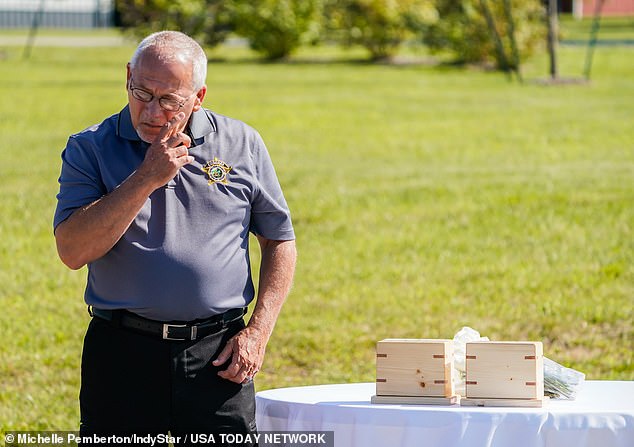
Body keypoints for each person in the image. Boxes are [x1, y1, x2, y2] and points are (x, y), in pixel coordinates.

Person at [53, 31, 296, 441]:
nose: (151, 111)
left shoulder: (241, 143)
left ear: (198, 97)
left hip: (219, 354)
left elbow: (279, 240)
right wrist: (146, 176)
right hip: (122, 352)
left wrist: (258, 332)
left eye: (169, 101)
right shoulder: (90, 148)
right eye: (141, 92)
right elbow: (73, 251)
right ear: (128, 76)